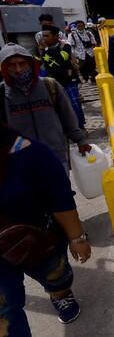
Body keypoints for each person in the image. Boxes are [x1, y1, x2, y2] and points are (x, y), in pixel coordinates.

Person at [0, 124, 92, 335]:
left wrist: (77, 237)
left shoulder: (31, 153)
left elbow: (61, 200)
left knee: (57, 279)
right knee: (6, 314)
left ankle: (60, 295)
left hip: (39, 241)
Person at [0, 43, 90, 169]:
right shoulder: (2, 93)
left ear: (30, 63)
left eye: (22, 63)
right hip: (22, 162)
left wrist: (80, 140)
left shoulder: (50, 86)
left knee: (61, 188)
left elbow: (68, 116)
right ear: (4, 68)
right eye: (11, 65)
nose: (18, 69)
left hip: (56, 155)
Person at [41, 25, 87, 130]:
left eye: (47, 36)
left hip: (69, 81)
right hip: (55, 84)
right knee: (60, 108)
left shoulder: (65, 47)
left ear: (56, 36)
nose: (44, 38)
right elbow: (47, 66)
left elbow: (61, 62)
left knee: (75, 105)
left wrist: (47, 50)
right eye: (43, 36)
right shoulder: (44, 52)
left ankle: (80, 127)